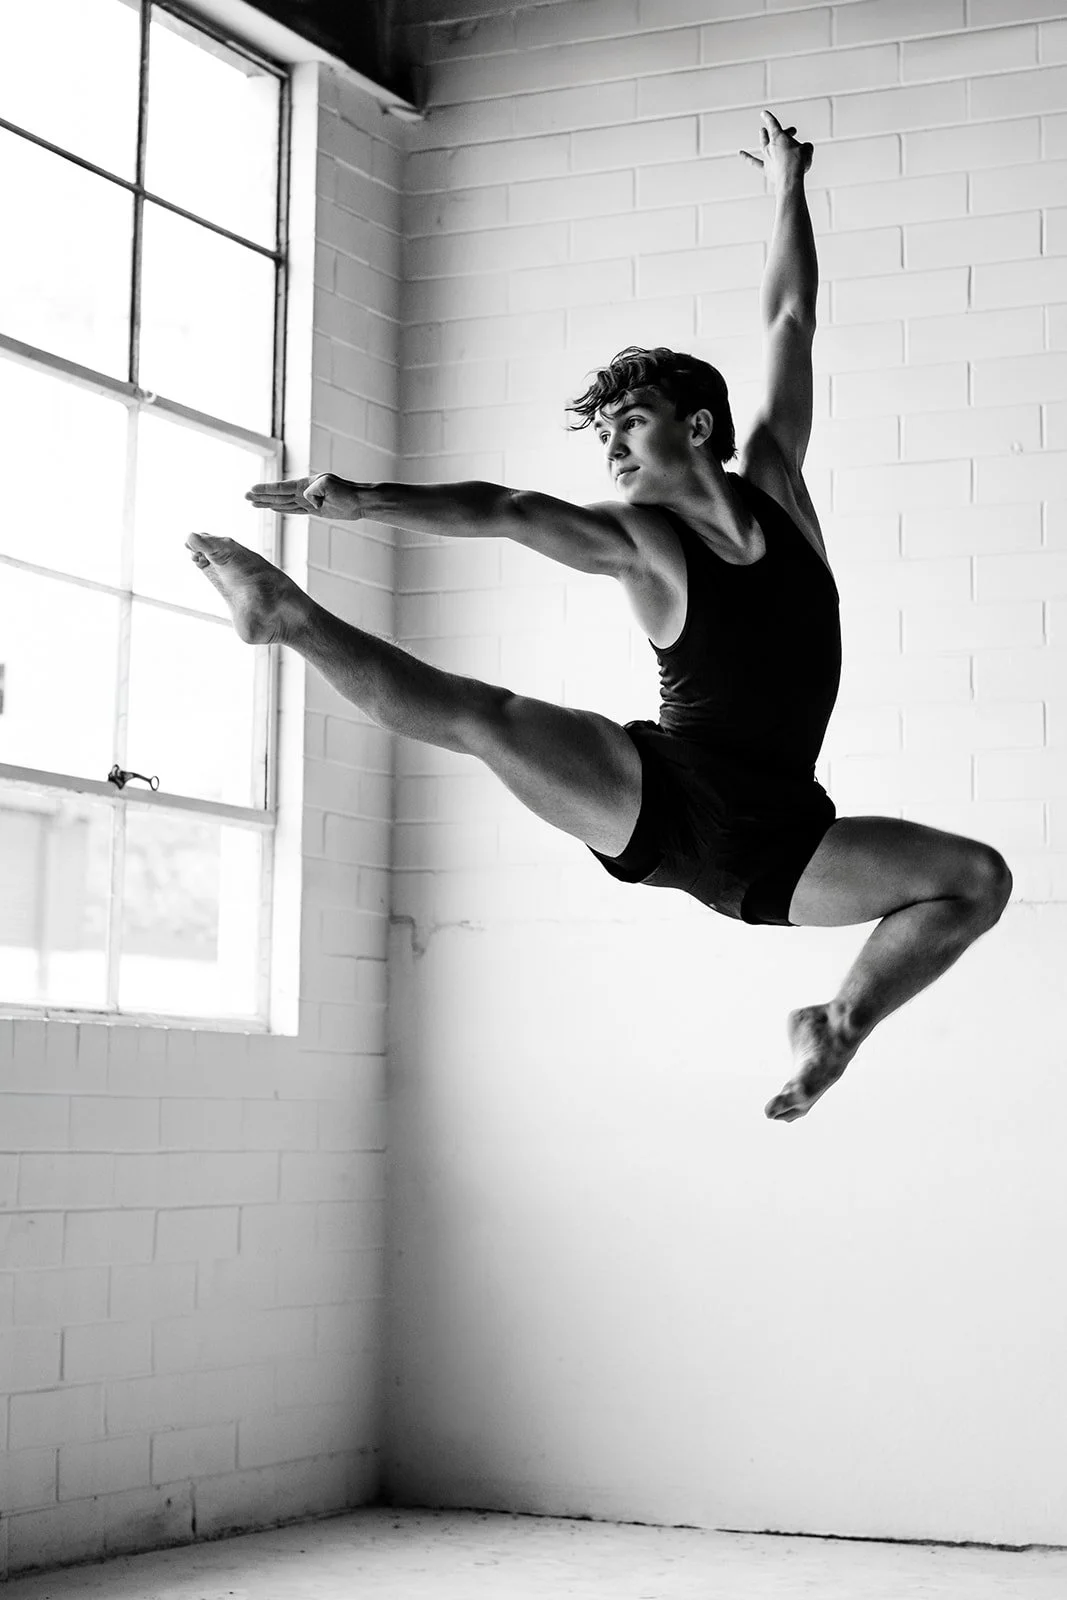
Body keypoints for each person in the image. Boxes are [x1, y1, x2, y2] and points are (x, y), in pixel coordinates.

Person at [188, 110, 1010, 1123]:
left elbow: (789, 319)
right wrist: (362, 500)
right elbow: (502, 509)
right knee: (481, 714)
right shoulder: (640, 543)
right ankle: (288, 617)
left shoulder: (780, 485)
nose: (613, 446)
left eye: (630, 422)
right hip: (661, 795)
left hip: (785, 840)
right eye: (605, 435)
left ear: (696, 426)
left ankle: (833, 1029)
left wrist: (784, 186)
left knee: (974, 879)